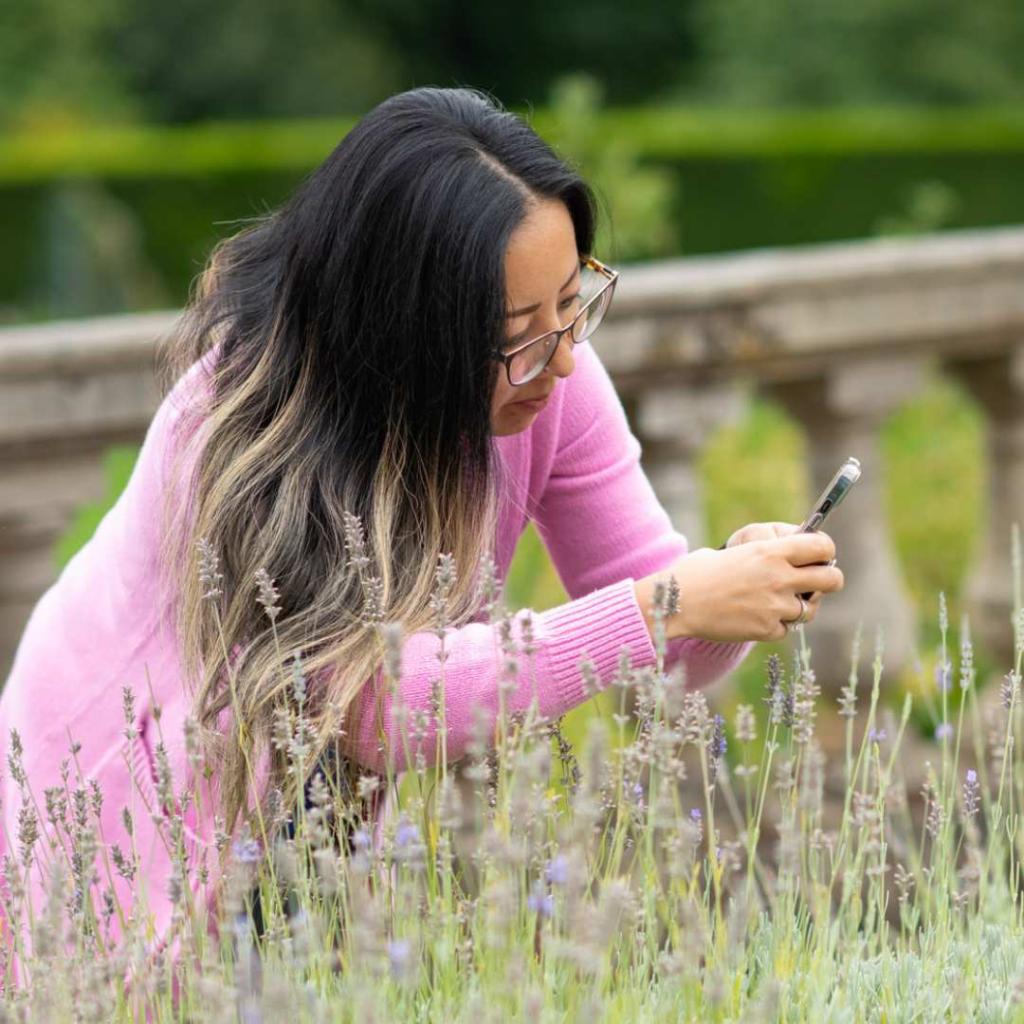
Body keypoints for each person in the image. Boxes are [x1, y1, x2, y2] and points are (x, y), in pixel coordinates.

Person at [0, 86, 843, 972]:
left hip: (303, 825)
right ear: (405, 330)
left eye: (573, 301)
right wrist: (666, 605)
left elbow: (670, 636)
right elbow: (370, 706)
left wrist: (738, 585)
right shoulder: (240, 425)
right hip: (121, 795)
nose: (561, 356)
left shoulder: (552, 375)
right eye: (516, 331)